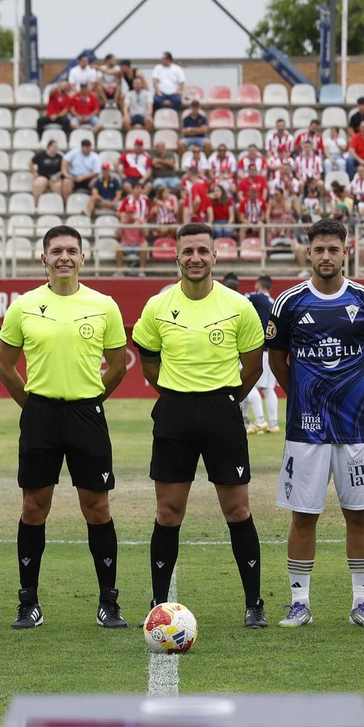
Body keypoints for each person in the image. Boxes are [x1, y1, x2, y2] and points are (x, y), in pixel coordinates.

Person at [131, 222, 269, 626]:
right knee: (169, 512)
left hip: (222, 412)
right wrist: (177, 396)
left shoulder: (238, 306)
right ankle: (158, 605)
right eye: (187, 251)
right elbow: (149, 362)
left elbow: (253, 366)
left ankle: (254, 603)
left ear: (214, 256)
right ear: (176, 256)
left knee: (238, 510)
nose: (195, 258)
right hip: (174, 414)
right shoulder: (158, 306)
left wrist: (223, 402)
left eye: (202, 251)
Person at [0, 226, 130, 630]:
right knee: (34, 509)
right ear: (44, 259)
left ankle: (109, 601)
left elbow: (119, 365)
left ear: (83, 258)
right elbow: (4, 366)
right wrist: (34, 406)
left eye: (72, 250)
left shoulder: (104, 305)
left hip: (86, 415)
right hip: (40, 416)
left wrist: (89, 401)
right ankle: (28, 602)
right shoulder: (23, 306)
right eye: (56, 251)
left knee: (98, 509)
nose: (64, 257)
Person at [263, 218, 364, 628]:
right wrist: (302, 395)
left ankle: (362, 603)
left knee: (359, 513)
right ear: (308, 253)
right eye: (318, 249)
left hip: (356, 428)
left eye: (333, 249)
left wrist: (361, 397)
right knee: (304, 514)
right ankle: (299, 603)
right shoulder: (288, 303)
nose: (325, 256)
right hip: (306, 429)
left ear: (345, 251)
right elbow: (277, 361)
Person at [222, 274, 279, 434]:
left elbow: (238, 298)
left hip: (256, 347)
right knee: (268, 388)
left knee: (248, 383)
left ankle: (260, 421)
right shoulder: (272, 301)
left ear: (258, 285)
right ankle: (272, 423)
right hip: (269, 349)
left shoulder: (256, 298)